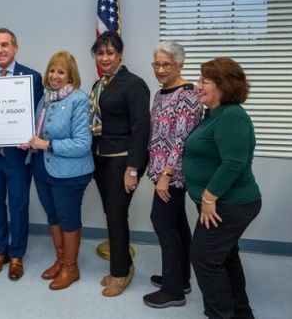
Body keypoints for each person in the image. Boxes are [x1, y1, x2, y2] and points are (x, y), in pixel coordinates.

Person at [183, 58, 262, 319]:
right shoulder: (213, 115)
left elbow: (233, 164)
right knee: (225, 257)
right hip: (221, 202)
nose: (198, 85)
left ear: (223, 85)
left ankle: (220, 314)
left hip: (230, 204)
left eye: (204, 81)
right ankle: (241, 312)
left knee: (204, 258)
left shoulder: (232, 116)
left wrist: (208, 197)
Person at [0, 28, 43, 280]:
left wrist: (31, 137)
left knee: (19, 205)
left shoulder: (32, 77)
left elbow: (39, 115)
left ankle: (16, 255)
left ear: (15, 47)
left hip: (17, 158)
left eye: (4, 45)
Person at [90, 31, 150, 297]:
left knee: (116, 215)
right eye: (100, 53)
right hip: (102, 158)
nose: (105, 57)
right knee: (112, 214)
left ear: (120, 55)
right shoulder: (100, 84)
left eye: (110, 52)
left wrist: (133, 168)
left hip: (123, 160)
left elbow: (141, 129)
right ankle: (124, 265)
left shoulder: (133, 84)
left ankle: (120, 274)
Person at [143, 42, 202, 308]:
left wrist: (166, 174)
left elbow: (182, 139)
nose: (161, 69)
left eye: (167, 64)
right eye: (157, 64)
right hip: (160, 171)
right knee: (178, 225)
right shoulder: (161, 92)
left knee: (163, 223)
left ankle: (172, 290)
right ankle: (181, 280)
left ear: (180, 65)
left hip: (174, 174)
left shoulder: (187, 94)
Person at [28, 51, 93, 290]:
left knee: (68, 219)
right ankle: (61, 260)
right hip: (42, 168)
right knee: (53, 217)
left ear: (70, 76)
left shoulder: (79, 99)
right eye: (52, 70)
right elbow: (39, 132)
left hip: (70, 173)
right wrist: (30, 140)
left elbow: (82, 144)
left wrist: (47, 144)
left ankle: (71, 268)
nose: (55, 75)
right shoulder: (45, 99)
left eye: (61, 71)